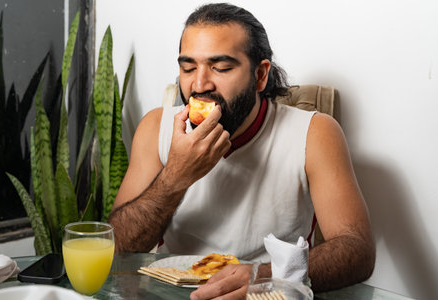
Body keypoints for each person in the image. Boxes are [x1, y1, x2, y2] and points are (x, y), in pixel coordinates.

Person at [109, 3, 375, 299]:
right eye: (187, 68)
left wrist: (266, 275)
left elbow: (357, 250)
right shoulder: (155, 127)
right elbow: (118, 248)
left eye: (220, 68)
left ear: (260, 75)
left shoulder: (314, 133)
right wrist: (175, 176)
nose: (199, 84)